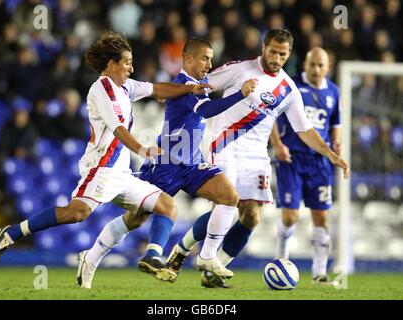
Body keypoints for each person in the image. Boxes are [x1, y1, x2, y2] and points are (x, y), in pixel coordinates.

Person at [0, 32, 211, 283]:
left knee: (167, 206)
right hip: (102, 169)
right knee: (76, 213)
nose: (132, 68)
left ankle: (151, 256)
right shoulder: (101, 89)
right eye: (127, 62)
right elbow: (119, 129)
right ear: (112, 64)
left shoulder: (126, 86)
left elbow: (157, 88)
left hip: (122, 173)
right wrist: (142, 150)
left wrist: (189, 89)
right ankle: (12, 233)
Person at [166, 29, 349, 288]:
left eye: (282, 54)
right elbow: (200, 83)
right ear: (263, 47)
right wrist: (172, 91)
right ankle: (187, 252)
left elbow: (305, 130)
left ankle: (212, 270)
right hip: (225, 146)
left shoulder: (288, 88)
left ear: (288, 55)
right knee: (226, 202)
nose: (276, 58)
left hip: (256, 155)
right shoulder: (240, 69)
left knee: (251, 216)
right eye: (272, 51)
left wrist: (331, 154)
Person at [76, 38, 258, 289]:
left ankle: (207, 257)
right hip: (168, 164)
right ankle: (93, 255)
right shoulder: (182, 85)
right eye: (205, 58)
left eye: (211, 58)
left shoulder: (198, 85)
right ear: (188, 59)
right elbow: (205, 111)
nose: (209, 63)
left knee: (229, 196)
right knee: (136, 219)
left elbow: (213, 84)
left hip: (193, 164)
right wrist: (241, 94)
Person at [270, 47, 341, 284]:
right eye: (312, 64)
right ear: (305, 65)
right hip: (291, 158)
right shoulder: (290, 86)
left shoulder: (334, 92)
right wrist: (278, 145)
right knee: (290, 216)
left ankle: (319, 272)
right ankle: (281, 260)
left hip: (319, 162)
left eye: (321, 65)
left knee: (321, 215)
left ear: (328, 68)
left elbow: (335, 123)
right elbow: (269, 115)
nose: (316, 69)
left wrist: (336, 143)